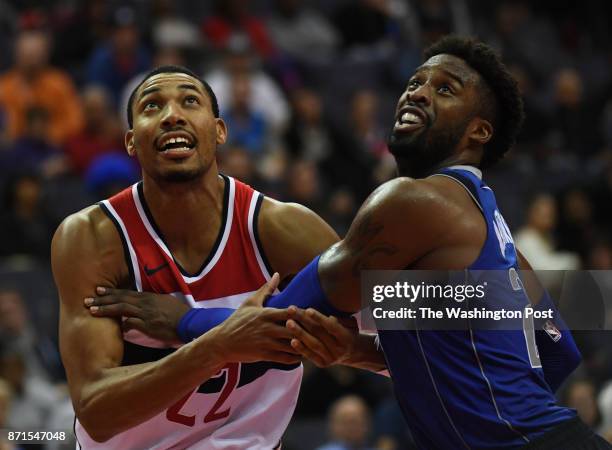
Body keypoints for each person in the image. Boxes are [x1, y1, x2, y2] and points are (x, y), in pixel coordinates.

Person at [103, 37, 608, 449]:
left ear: (479, 131)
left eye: (445, 89)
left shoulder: (413, 202)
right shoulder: (493, 232)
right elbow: (555, 354)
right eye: (415, 82)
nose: (418, 93)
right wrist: (355, 350)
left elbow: (286, 319)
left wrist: (183, 318)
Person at [52, 65, 385, 449]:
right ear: (130, 142)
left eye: (189, 101)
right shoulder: (94, 237)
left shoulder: (283, 228)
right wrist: (217, 345)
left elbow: (437, 324)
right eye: (152, 105)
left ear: (220, 130)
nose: (172, 115)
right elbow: (96, 412)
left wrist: (352, 351)